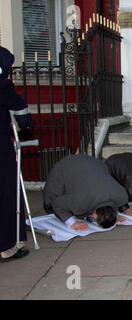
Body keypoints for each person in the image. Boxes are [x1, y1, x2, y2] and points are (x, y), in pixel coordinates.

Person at [0, 46, 33, 262]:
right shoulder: (2, 86)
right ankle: (7, 245)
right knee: (6, 193)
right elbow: (22, 112)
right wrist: (25, 122)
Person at [43, 154, 129, 231]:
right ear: (94, 215)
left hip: (91, 162)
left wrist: (111, 217)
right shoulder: (79, 202)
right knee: (49, 204)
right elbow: (57, 203)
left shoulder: (121, 195)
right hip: (66, 166)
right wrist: (72, 222)